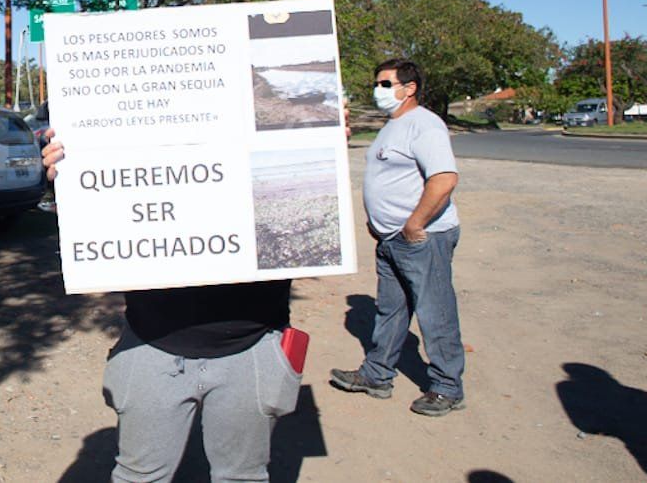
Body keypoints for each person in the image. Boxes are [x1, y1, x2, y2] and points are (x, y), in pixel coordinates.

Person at [41, 137, 298, 482]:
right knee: (139, 477)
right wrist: (72, 174)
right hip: (152, 339)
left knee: (242, 477)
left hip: (253, 340)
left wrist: (321, 134)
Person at [329, 58, 465, 417]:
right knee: (390, 310)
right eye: (377, 83)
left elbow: (444, 179)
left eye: (385, 84)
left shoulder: (424, 124)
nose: (378, 90)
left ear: (409, 88)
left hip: (422, 238)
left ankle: (447, 387)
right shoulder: (393, 126)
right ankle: (377, 375)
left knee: (435, 312)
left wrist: (415, 224)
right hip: (390, 239)